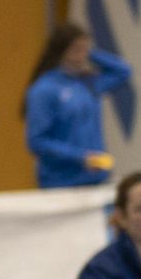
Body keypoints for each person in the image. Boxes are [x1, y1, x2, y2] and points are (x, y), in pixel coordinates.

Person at [23, 23, 131, 189]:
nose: (82, 55)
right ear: (62, 51)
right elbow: (37, 141)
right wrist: (80, 157)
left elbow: (123, 71)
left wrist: (91, 54)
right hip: (61, 180)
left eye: (85, 49)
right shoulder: (44, 89)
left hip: (96, 176)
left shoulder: (88, 82)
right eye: (77, 49)